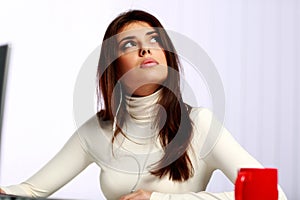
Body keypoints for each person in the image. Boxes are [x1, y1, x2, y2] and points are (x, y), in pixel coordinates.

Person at [0, 10, 287, 200]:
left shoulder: (201, 124)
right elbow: (29, 190)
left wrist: (160, 199)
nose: (145, 49)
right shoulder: (98, 130)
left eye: (154, 40)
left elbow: (271, 194)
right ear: (114, 67)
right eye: (128, 45)